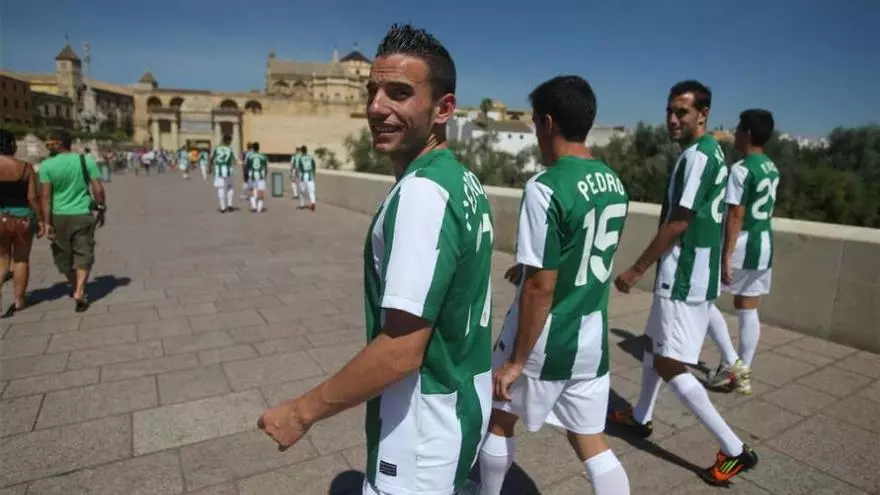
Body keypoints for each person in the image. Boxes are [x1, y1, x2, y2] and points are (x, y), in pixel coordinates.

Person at [258, 23, 494, 495]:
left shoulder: (422, 194)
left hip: (420, 432)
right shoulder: (461, 179)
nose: (376, 107)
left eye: (399, 93)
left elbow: (400, 349)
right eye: (372, 91)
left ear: (443, 108)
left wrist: (300, 413)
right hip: (460, 406)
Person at [476, 76, 631, 495]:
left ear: (547, 123)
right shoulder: (614, 183)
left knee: (499, 418)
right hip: (590, 336)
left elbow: (541, 288)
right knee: (591, 442)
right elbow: (578, 252)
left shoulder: (545, 186)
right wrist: (529, 268)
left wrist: (516, 361)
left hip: (546, 337)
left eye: (534, 124)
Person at [609, 80, 758, 486]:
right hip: (690, 271)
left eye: (682, 112)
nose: (672, 119)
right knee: (652, 345)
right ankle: (641, 416)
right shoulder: (708, 152)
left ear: (703, 114)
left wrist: (636, 269)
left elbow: (679, 221)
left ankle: (734, 450)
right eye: (670, 111)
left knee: (669, 362)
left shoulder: (698, 157)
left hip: (684, 275)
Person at [704, 109, 780, 395]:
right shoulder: (771, 167)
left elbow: (736, 214)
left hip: (743, 243)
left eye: (738, 129)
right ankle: (744, 369)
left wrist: (726, 255)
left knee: (702, 300)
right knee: (748, 307)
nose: (735, 133)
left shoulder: (741, 169)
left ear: (747, 132)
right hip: (764, 243)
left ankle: (732, 363)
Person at [39, 129, 107, 312]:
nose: (48, 146)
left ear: (59, 144)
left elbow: (45, 197)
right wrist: (101, 209)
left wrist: (47, 222)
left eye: (50, 142)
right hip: (82, 214)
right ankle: (80, 290)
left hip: (58, 216)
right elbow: (98, 189)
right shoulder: (86, 161)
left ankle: (76, 287)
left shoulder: (46, 166)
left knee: (63, 256)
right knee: (84, 253)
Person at [0, 129, 47, 317]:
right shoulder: (25, 167)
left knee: (2, 259)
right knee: (21, 259)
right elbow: (32, 197)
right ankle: (19, 300)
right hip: (23, 219)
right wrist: (41, 220)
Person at [209, 135, 238, 213]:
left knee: (221, 188)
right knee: (230, 187)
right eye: (230, 141)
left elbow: (211, 158)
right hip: (228, 171)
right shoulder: (230, 149)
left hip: (218, 171)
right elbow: (235, 160)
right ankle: (230, 205)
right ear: (228, 141)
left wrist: (209, 168)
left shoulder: (216, 148)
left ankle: (222, 207)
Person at [246, 142, 269, 213]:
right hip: (260, 175)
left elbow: (247, 166)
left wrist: (247, 175)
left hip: (252, 175)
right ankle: (259, 207)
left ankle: (253, 206)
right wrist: (265, 175)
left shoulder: (249, 156)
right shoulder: (263, 156)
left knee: (251, 190)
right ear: (259, 148)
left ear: (253, 148)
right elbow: (265, 167)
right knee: (261, 191)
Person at [296, 145, 317, 211]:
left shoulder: (300, 158)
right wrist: (313, 172)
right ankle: (313, 202)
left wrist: (297, 176)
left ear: (302, 151)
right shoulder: (310, 157)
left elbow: (298, 168)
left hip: (303, 175)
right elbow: (314, 165)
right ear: (306, 150)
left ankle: (302, 204)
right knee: (311, 191)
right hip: (310, 175)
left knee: (302, 191)